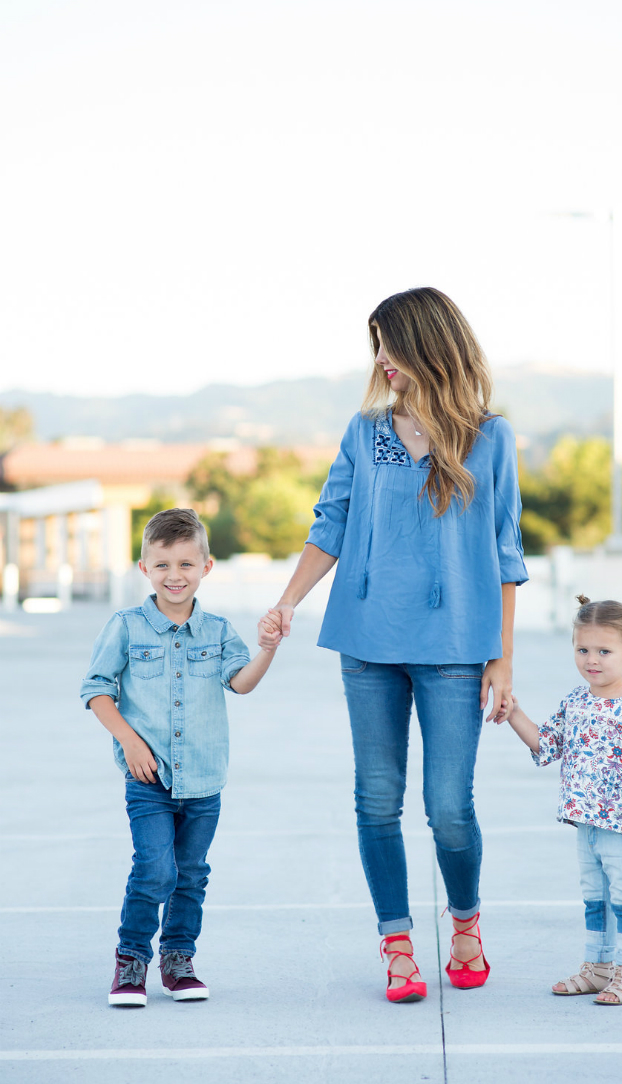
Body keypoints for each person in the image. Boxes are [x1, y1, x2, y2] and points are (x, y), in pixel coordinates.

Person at [258, 287, 529, 1002]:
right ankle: (398, 943)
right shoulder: (364, 430)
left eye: (392, 344)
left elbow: (506, 553)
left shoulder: (490, 437)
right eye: (376, 345)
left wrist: (502, 658)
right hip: (368, 641)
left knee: (448, 807)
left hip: (455, 647)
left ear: (431, 346)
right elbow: (331, 524)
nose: (382, 360)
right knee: (376, 800)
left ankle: (464, 922)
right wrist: (287, 602)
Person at [81, 508, 278, 1006]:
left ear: (207, 567)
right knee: (155, 870)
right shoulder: (125, 626)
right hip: (148, 779)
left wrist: (267, 649)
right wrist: (128, 740)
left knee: (191, 873)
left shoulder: (217, 631)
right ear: (144, 567)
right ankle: (130, 962)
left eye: (186, 565)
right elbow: (96, 690)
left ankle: (178, 959)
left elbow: (242, 682)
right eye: (163, 565)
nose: (175, 576)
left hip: (205, 781)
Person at [505, 594, 622, 1005]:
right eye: (583, 649)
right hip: (586, 823)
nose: (592, 660)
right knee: (594, 898)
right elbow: (547, 745)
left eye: (604, 650)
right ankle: (599, 968)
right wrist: (513, 712)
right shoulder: (576, 700)